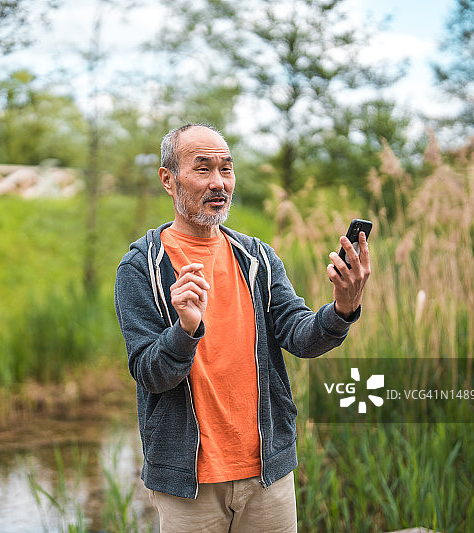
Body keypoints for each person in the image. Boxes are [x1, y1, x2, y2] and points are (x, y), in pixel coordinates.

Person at [114, 123, 370, 532]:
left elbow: (299, 335)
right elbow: (149, 375)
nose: (219, 183)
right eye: (202, 169)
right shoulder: (141, 268)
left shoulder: (257, 258)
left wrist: (342, 307)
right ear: (168, 179)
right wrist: (185, 329)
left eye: (226, 169)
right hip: (188, 483)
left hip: (268, 473)